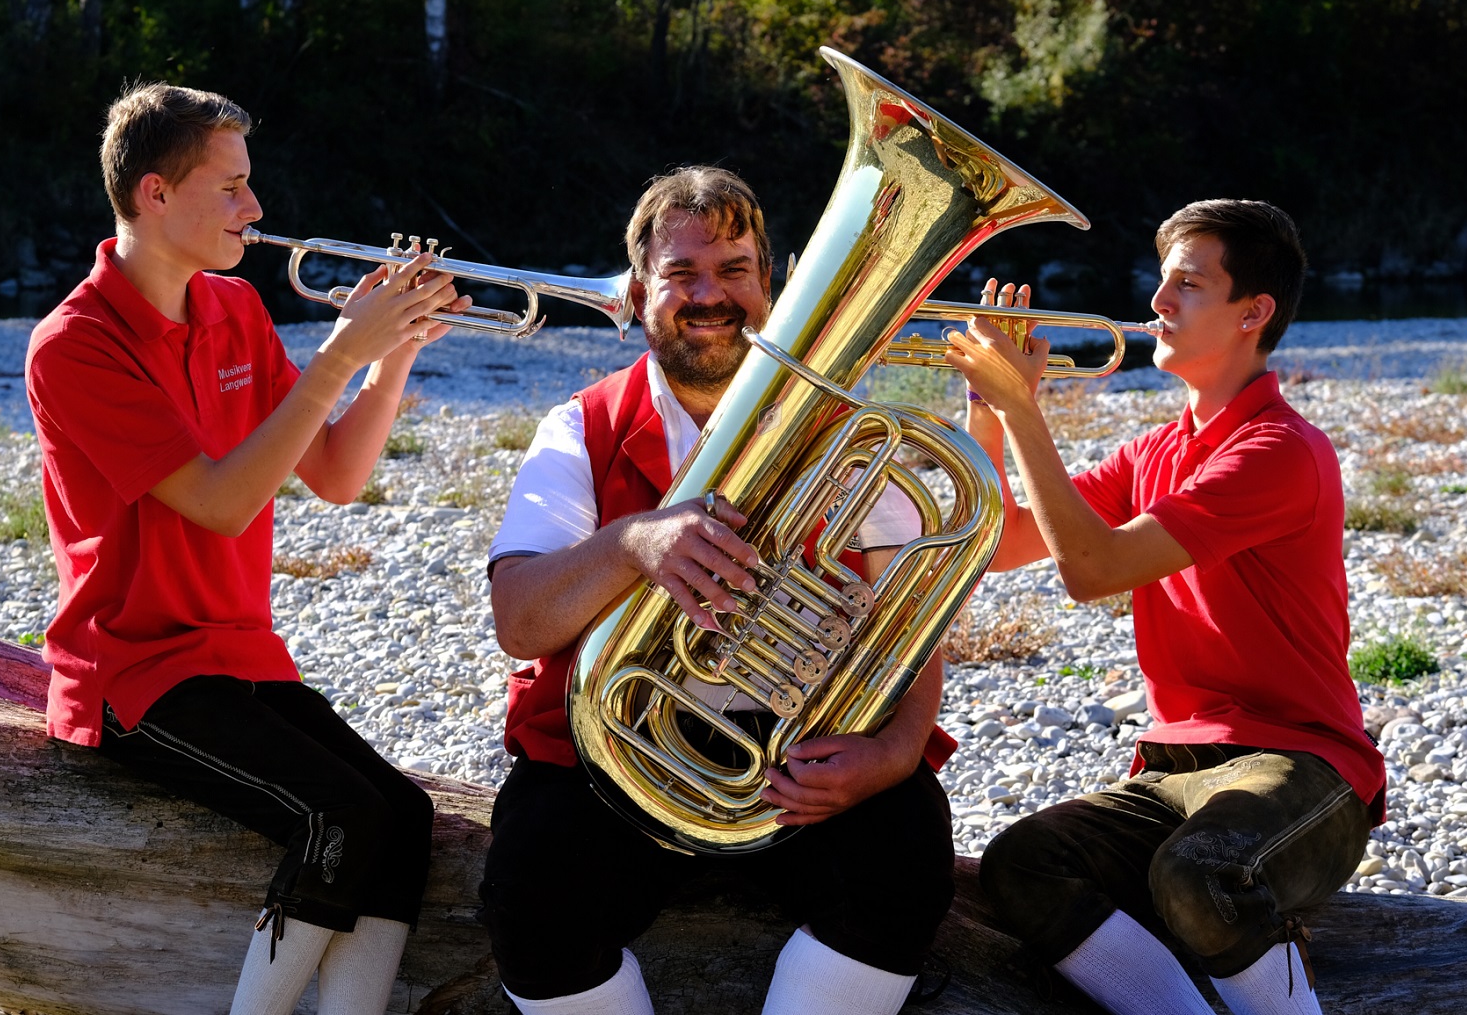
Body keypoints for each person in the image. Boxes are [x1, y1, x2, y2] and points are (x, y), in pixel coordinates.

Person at [25, 82, 468, 1015]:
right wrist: (338, 358)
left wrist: (395, 352)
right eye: (229, 188)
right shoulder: (74, 344)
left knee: (409, 817)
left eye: (249, 186)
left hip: (236, 651)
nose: (255, 209)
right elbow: (221, 505)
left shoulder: (234, 311)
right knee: (339, 814)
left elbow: (338, 475)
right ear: (154, 194)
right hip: (134, 669)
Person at [479, 165, 957, 1015]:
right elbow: (520, 619)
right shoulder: (578, 428)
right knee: (531, 891)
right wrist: (632, 542)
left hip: (792, 753)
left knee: (907, 850)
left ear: (771, 284)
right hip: (612, 755)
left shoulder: (843, 431)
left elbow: (911, 625)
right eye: (682, 275)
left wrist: (890, 753)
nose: (711, 295)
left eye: (735, 270)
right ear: (635, 294)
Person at [942, 199, 1384, 1015]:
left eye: (1187, 284)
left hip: (1302, 766)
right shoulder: (1153, 451)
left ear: (1253, 312)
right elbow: (996, 542)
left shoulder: (1281, 450)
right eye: (1162, 281)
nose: (1157, 303)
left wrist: (1024, 408)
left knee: (1201, 873)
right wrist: (986, 415)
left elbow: (1091, 569)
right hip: (1175, 769)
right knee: (1020, 865)